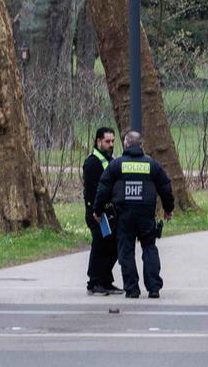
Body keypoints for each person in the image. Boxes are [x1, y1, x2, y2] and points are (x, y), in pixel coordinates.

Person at [93, 128, 174, 299]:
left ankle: (132, 289)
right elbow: (165, 186)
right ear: (141, 145)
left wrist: (98, 210)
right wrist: (168, 208)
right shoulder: (152, 164)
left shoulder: (117, 164)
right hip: (146, 214)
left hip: (124, 214)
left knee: (126, 251)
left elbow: (103, 188)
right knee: (149, 248)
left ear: (126, 144)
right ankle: (154, 288)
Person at [82, 126, 121, 294]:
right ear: (98, 141)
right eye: (107, 141)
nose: (110, 144)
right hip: (98, 214)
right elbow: (92, 191)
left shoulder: (109, 160)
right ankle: (94, 282)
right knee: (100, 245)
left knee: (112, 245)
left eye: (112, 141)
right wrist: (97, 211)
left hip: (109, 212)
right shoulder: (92, 162)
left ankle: (105, 280)